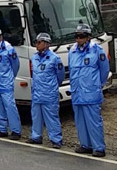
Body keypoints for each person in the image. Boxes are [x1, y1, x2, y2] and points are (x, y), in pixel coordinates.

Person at [68, 23, 110, 157]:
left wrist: (98, 85)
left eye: (81, 36)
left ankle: (99, 147)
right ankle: (85, 145)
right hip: (77, 92)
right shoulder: (72, 51)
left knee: (94, 121)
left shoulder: (96, 50)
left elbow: (104, 70)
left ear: (88, 37)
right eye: (77, 36)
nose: (78, 39)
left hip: (91, 92)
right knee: (80, 121)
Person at [27, 33, 65, 148]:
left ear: (46, 44)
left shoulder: (55, 58)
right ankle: (36, 136)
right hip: (37, 93)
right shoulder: (34, 58)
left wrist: (52, 87)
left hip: (49, 94)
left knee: (52, 117)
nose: (36, 45)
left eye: (39, 42)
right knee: (36, 117)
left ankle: (56, 140)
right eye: (36, 42)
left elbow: (60, 75)